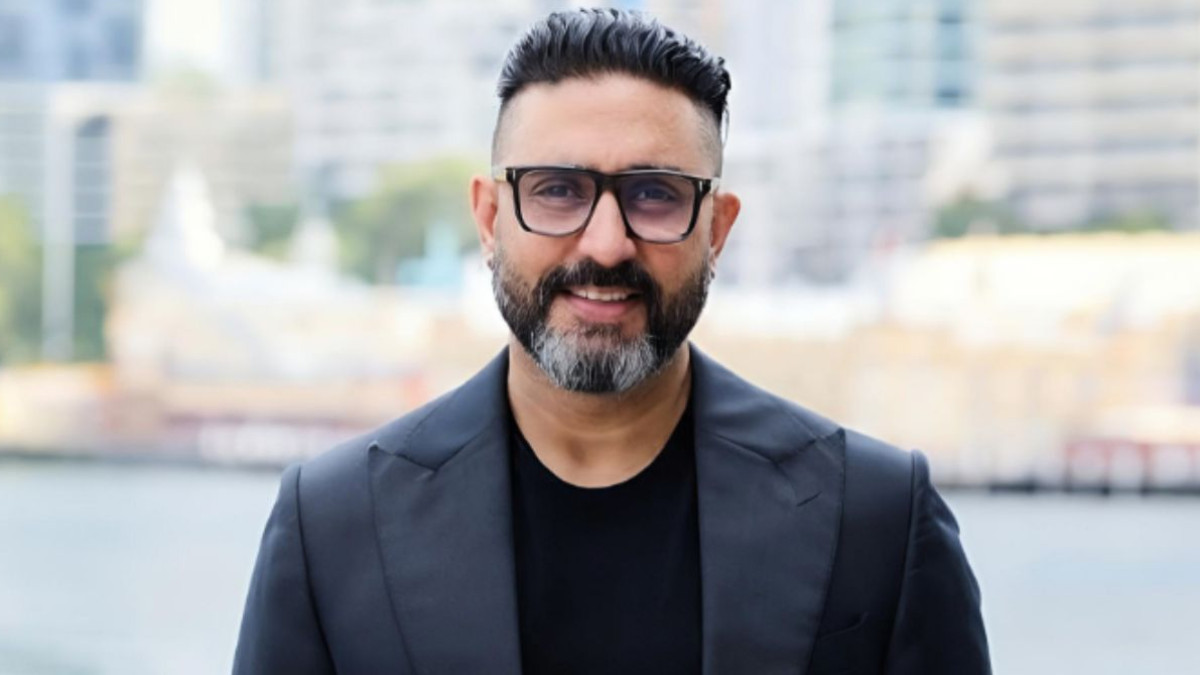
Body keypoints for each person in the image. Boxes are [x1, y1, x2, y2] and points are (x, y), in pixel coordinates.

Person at [233, 8, 990, 675]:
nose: (605, 244)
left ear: (717, 230)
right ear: (490, 219)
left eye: (654, 194)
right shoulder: (332, 526)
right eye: (557, 190)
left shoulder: (879, 519)